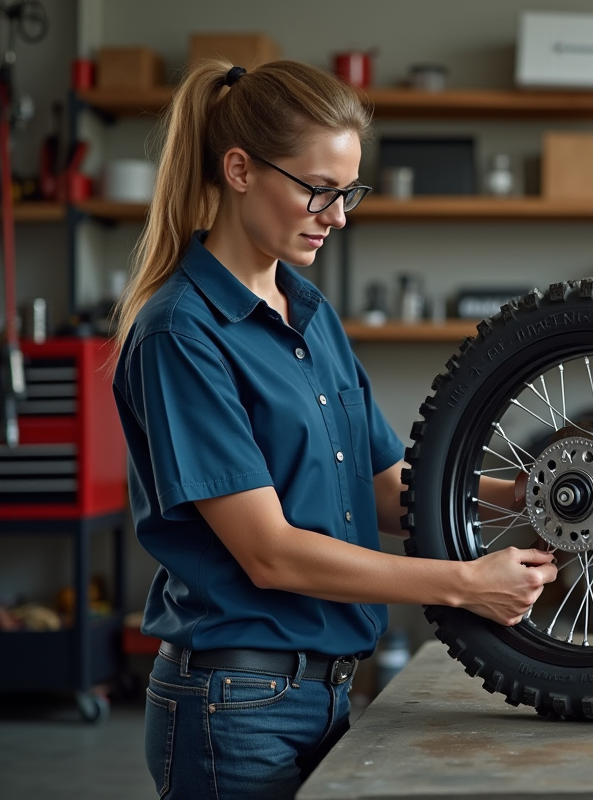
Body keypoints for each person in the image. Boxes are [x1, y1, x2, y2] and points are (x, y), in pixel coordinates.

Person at [110, 59, 557, 800]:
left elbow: (381, 488)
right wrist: (463, 585)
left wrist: (522, 495)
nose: (339, 215)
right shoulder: (180, 335)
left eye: (349, 192)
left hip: (327, 694)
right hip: (234, 707)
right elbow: (269, 554)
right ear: (240, 170)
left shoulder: (310, 315)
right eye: (319, 189)